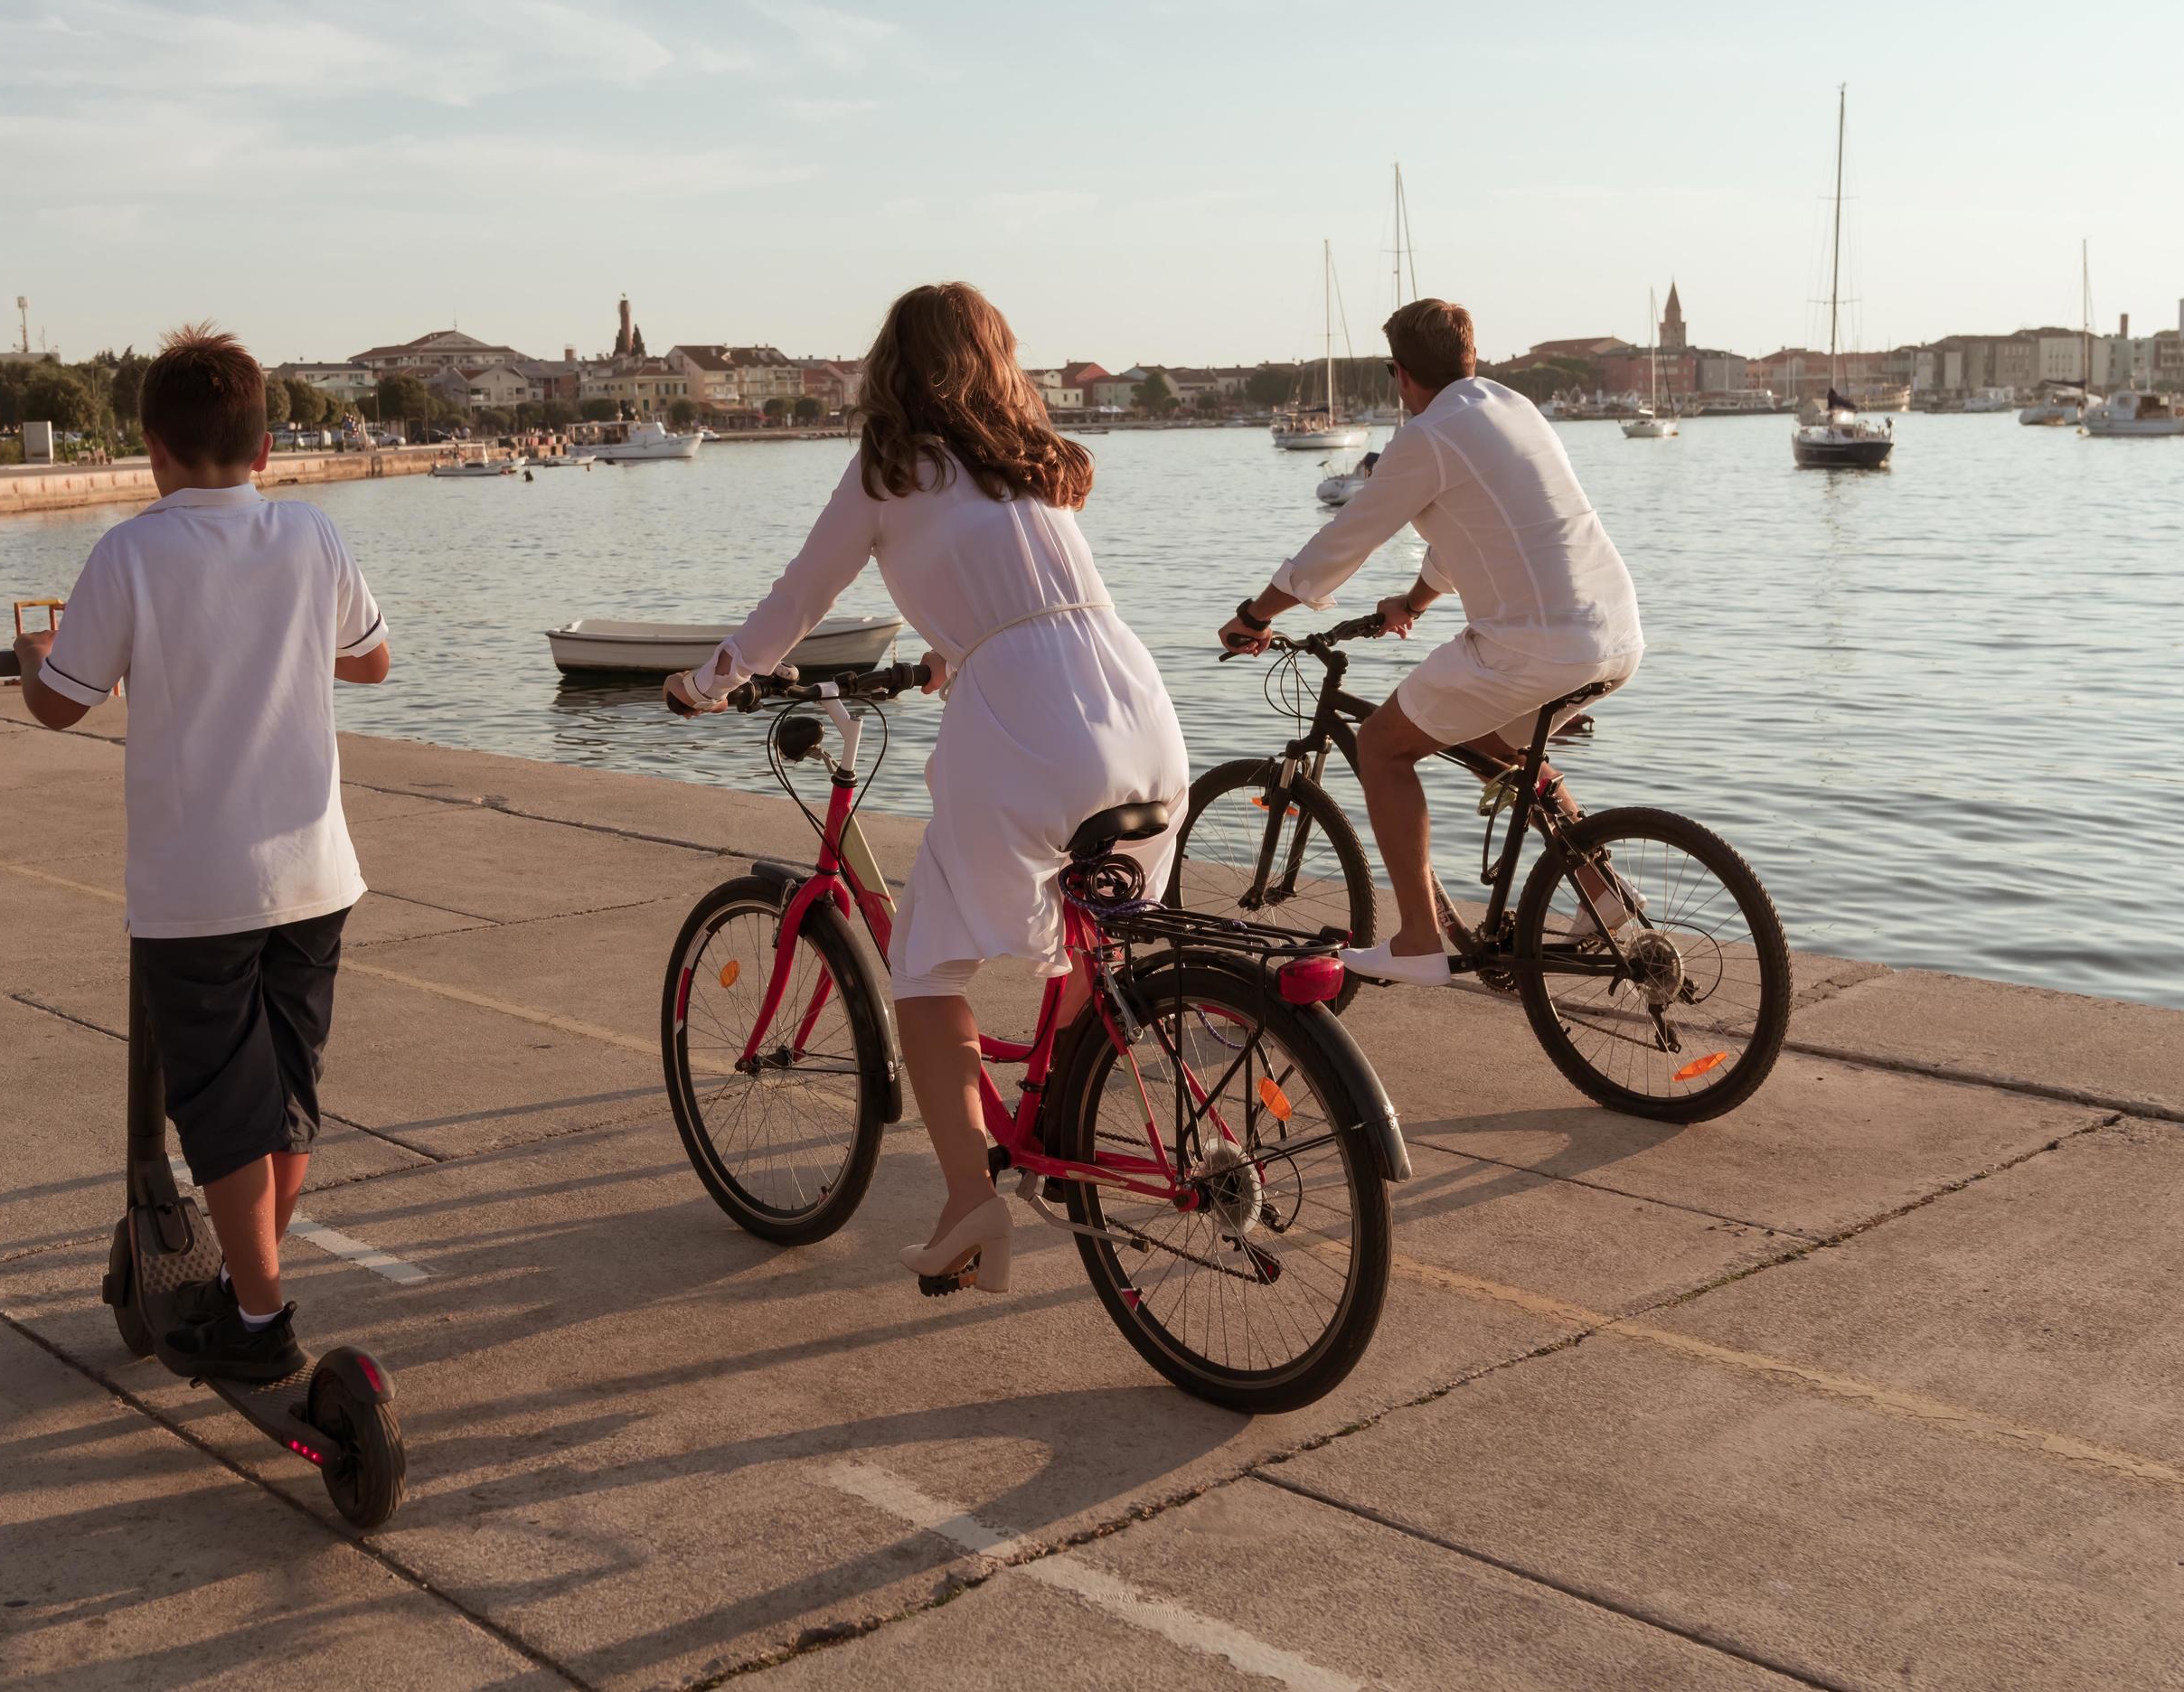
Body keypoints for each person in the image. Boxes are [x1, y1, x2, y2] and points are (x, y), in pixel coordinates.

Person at [665, 283, 1186, 1293]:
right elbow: (1017, 600)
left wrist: (709, 680)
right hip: (1139, 710)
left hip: (1032, 731)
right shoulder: (1029, 468)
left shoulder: (889, 466)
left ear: (895, 365)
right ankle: (1058, 1112)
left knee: (925, 966)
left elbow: (796, 599)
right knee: (1096, 934)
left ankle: (970, 1203)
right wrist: (952, 653)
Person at [13, 324, 391, 1382]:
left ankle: (264, 1319)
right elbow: (374, 660)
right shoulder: (313, 535)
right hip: (317, 870)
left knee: (221, 1102)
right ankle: (245, 1284)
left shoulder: (130, 551)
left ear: (153, 449)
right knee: (287, 1089)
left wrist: (43, 656)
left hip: (198, 887)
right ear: (266, 447)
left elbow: (59, 705)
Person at [1220, 297, 1642, 986]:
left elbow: (1343, 540)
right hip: (1615, 631)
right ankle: (1604, 893)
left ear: (1400, 373)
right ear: (1470, 357)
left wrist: (1257, 614)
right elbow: (1476, 528)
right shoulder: (1513, 408)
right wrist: (1412, 603)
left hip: (1535, 644)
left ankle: (1419, 939)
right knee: (1502, 741)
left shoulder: (1427, 436)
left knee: (1384, 747)